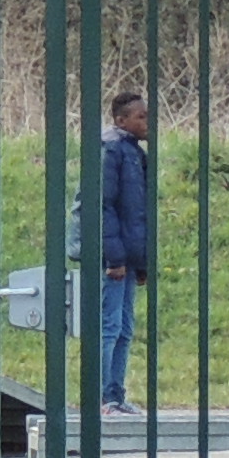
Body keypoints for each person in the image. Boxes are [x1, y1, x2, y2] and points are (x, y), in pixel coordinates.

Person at [96, 88, 153, 414]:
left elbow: (137, 213)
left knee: (126, 328)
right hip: (113, 258)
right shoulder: (112, 150)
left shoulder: (133, 152)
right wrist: (115, 258)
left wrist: (140, 262)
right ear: (121, 120)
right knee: (109, 326)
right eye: (140, 117)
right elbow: (104, 207)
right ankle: (103, 397)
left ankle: (116, 394)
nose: (147, 122)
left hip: (128, 257)